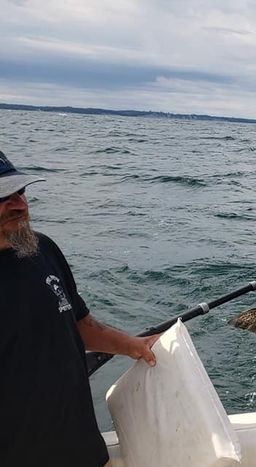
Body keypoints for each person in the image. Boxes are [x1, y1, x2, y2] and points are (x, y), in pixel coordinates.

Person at [0, 150, 159, 466]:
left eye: (20, 192)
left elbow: (79, 324)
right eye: (4, 197)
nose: (19, 204)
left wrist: (134, 346)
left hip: (82, 447)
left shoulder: (41, 248)